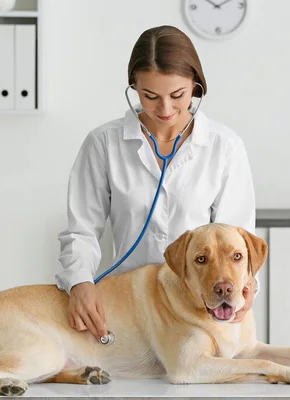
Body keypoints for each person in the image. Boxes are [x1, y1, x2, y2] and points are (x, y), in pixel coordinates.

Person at [55, 25, 258, 340]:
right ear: (134, 87)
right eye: (150, 96)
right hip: (129, 307)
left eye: (177, 95)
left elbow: (238, 243)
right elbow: (81, 231)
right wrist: (80, 282)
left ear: (196, 85)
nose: (164, 109)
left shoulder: (224, 147)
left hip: (198, 309)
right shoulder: (103, 144)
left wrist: (247, 287)